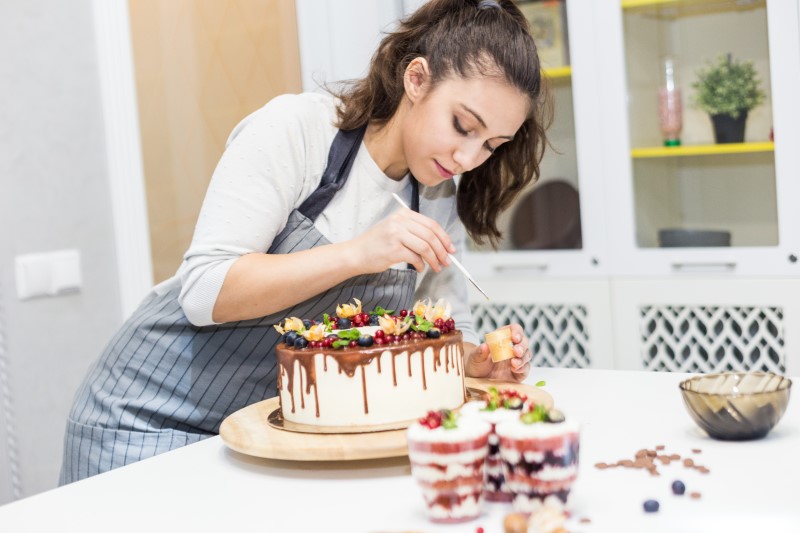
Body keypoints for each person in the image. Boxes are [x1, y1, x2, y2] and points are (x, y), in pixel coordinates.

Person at [59, 0, 551, 484]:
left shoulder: (436, 191)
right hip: (142, 420)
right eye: (463, 126)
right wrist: (358, 254)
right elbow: (204, 292)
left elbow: (448, 322)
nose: (468, 157)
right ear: (416, 79)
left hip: (259, 431)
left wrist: (476, 360)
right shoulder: (299, 131)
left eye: (491, 145)